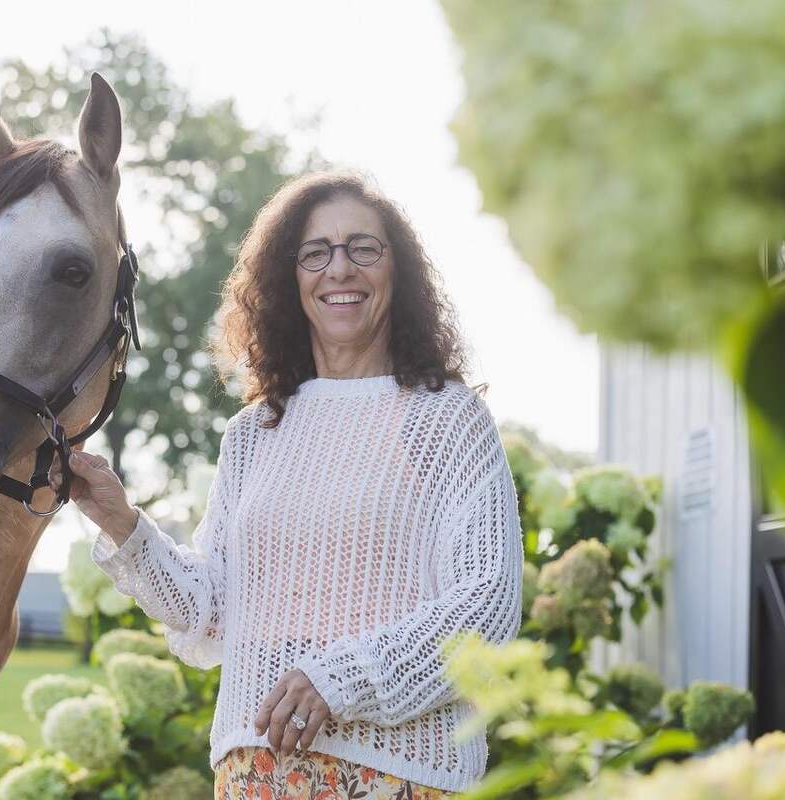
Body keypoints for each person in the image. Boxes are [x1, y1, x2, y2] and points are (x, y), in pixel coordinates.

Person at [50, 171, 524, 797]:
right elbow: (213, 616)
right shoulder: (255, 432)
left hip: (396, 775)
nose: (340, 269)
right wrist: (122, 522)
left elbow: (486, 606)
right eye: (315, 253)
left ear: (397, 270)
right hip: (255, 775)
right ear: (288, 279)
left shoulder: (447, 419)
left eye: (363, 248)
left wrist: (339, 681)